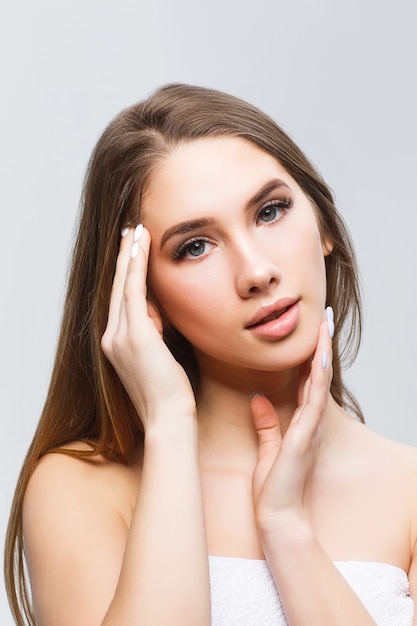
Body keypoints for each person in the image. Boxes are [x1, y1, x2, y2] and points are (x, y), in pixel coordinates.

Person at [4, 83, 417, 626]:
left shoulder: (408, 492)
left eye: (271, 211)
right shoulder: (80, 488)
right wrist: (171, 425)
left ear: (323, 227)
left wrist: (287, 530)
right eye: (194, 246)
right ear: (143, 295)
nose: (256, 272)